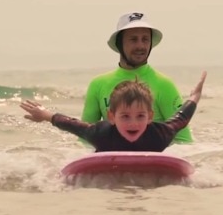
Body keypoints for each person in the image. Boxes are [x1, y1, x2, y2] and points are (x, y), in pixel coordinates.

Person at [20, 71, 206, 152]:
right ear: (111, 117)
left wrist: (194, 97)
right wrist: (44, 114)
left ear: (150, 117)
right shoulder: (101, 133)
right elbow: (72, 124)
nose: (133, 123)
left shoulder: (159, 134)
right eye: (125, 116)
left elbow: (181, 118)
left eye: (140, 116)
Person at [80, 12, 193, 143]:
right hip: (114, 160)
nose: (140, 46)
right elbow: (85, 138)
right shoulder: (98, 84)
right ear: (119, 43)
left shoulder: (164, 84)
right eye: (133, 39)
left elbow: (184, 140)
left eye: (145, 39)